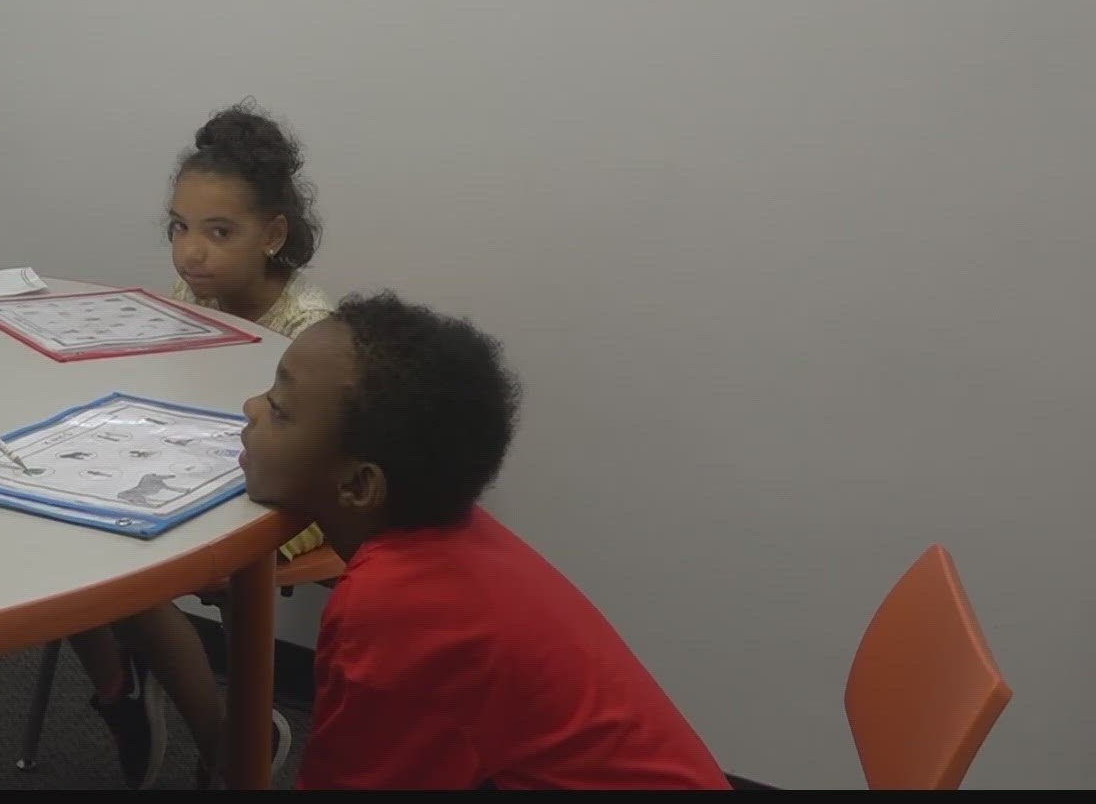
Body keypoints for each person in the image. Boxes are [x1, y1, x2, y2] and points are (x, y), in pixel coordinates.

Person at [237, 292, 733, 790]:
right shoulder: (457, 540)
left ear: (359, 486)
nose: (250, 407)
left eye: (280, 411)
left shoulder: (395, 605)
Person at [66, 101, 324, 787]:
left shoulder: (309, 330)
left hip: (285, 493)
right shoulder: (192, 291)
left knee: (150, 563)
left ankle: (227, 741)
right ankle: (130, 693)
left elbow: (311, 469)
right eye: (179, 228)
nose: (191, 251)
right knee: (71, 519)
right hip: (197, 464)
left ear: (273, 234)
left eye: (218, 231)